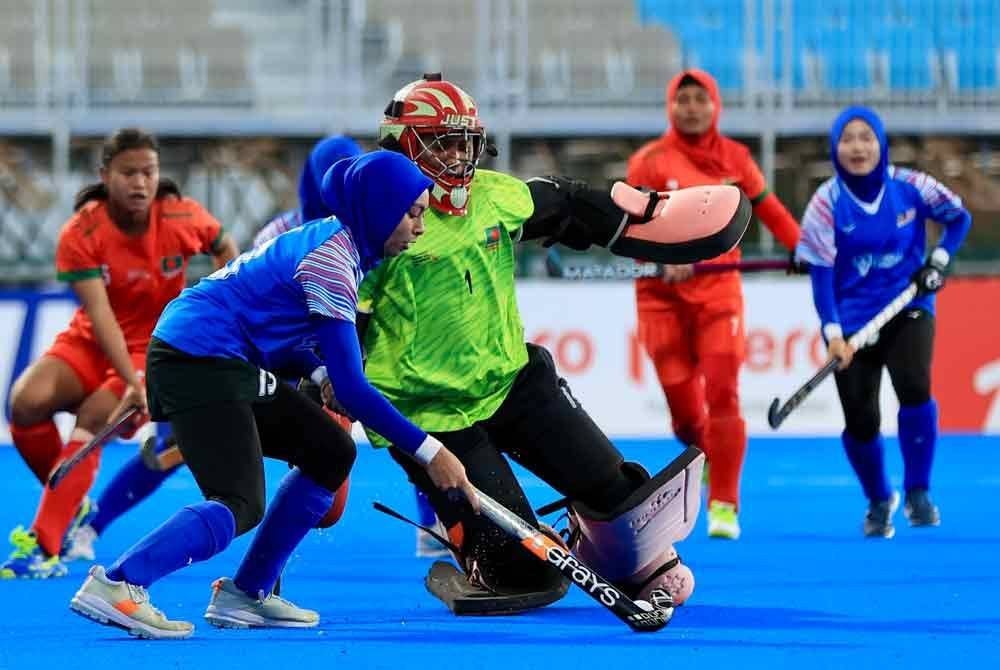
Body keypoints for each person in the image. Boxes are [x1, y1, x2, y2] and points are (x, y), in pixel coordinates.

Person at [348, 73, 749, 615]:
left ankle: (594, 534)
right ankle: (488, 552)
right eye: (442, 141)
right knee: (521, 575)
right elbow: (338, 319)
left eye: (465, 141)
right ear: (402, 145)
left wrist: (643, 220)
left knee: (625, 504)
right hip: (431, 417)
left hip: (513, 382)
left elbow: (565, 202)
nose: (459, 156)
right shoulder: (372, 225)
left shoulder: (493, 196)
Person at [69, 150, 479, 640]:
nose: (421, 226)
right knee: (238, 501)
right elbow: (355, 389)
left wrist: (320, 372)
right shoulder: (332, 262)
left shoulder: (340, 245)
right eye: (412, 213)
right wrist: (432, 452)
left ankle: (247, 594)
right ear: (380, 209)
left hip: (222, 357)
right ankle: (119, 583)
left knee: (331, 451)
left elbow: (278, 334)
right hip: (197, 358)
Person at [62, 134, 364, 563]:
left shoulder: (375, 238)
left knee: (328, 484)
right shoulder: (283, 234)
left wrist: (331, 371)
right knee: (175, 452)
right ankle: (94, 527)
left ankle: (434, 521)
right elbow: (247, 299)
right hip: (248, 356)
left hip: (321, 362)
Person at [1, 128, 238, 579]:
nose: (140, 183)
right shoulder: (81, 231)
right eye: (129, 173)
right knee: (25, 403)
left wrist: (225, 306)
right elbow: (101, 314)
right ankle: (68, 503)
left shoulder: (181, 216)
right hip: (93, 340)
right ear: (105, 175)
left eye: (149, 172)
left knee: (94, 418)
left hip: (156, 348)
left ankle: (45, 545)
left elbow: (225, 248)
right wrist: (131, 383)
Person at [626, 69, 802, 540]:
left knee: (724, 392)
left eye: (700, 99)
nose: (691, 107)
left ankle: (724, 503)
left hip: (718, 294)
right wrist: (663, 256)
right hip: (660, 299)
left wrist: (803, 249)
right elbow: (628, 230)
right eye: (682, 98)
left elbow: (770, 209)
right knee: (684, 414)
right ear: (670, 106)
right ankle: (707, 453)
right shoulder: (647, 162)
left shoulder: (736, 159)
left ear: (715, 105)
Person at [796, 106, 971, 539]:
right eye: (848, 139)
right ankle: (878, 499)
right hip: (852, 324)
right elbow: (821, 276)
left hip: (909, 306)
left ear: (880, 142)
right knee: (861, 420)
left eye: (866, 137)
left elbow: (958, 217)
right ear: (836, 148)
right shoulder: (825, 204)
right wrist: (833, 334)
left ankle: (918, 491)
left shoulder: (911, 186)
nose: (858, 147)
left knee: (914, 385)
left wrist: (939, 260)